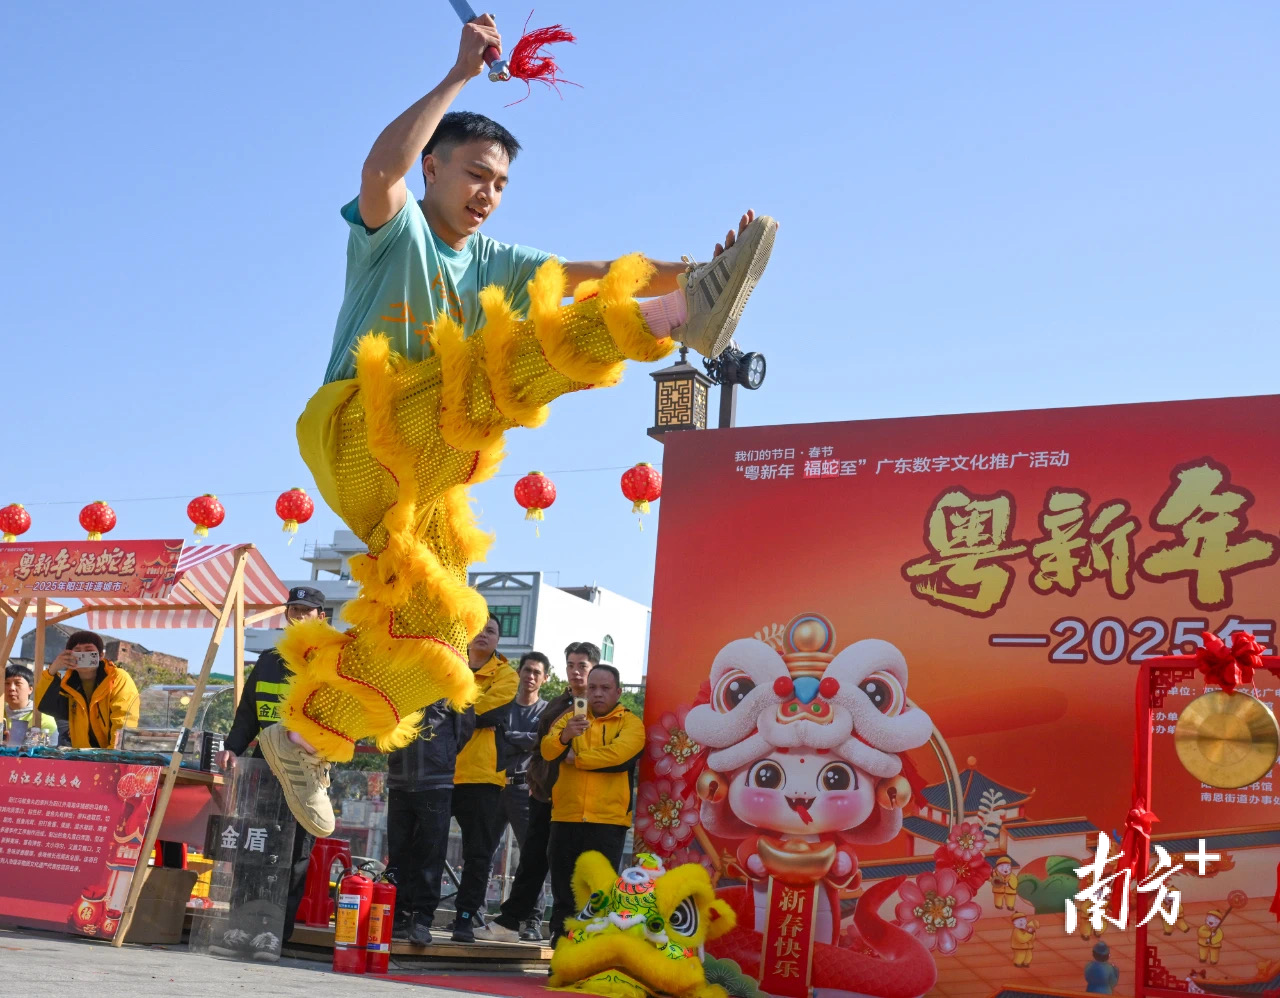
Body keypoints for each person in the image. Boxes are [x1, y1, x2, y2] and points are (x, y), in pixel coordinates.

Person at [255, 14, 777, 839]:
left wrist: (702, 269)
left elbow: (594, 275)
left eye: (500, 183)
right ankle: (680, 317)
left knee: (450, 624)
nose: (487, 194)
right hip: (362, 428)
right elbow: (380, 167)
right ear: (435, 167)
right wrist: (458, 73)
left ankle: (307, 737)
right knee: (495, 374)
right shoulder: (397, 229)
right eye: (475, 174)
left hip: (421, 480)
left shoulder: (497, 259)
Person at [211, 586, 328, 961]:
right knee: (253, 847)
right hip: (262, 767)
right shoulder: (268, 659)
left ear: (321, 617)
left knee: (293, 854)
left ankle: (274, 934)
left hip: (306, 769)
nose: (298, 616)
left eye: (306, 611)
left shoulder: (333, 662)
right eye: (293, 610)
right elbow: (247, 712)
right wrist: (232, 747)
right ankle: (240, 927)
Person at [540, 662, 643, 944]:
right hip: (566, 815)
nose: (597, 694)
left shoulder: (631, 723)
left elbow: (619, 757)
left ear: (618, 692)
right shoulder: (571, 718)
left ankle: (589, 951)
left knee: (598, 892)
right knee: (563, 890)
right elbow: (547, 750)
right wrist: (564, 736)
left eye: (605, 688)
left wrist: (576, 758)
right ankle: (561, 947)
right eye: (592, 688)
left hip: (607, 821)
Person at [471, 650, 550, 942]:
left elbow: (539, 742)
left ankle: (532, 919)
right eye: (526, 670)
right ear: (519, 672)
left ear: (545, 678)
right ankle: (475, 913)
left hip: (524, 788)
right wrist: (523, 739)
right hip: (493, 785)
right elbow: (503, 739)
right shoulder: (504, 704)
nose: (530, 676)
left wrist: (510, 736)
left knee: (531, 857)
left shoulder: (545, 711)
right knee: (482, 852)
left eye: (536, 672)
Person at [449, 613, 518, 942]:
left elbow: (492, 712)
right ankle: (414, 914)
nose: (483, 634)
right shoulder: (447, 664)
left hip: (483, 776)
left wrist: (452, 711)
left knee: (477, 854)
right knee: (427, 848)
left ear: (497, 640)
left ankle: (464, 918)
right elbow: (473, 713)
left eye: (490, 630)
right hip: (440, 770)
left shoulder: (507, 675)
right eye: (477, 629)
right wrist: (471, 711)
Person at [386, 695, 475, 946]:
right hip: (399, 779)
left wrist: (442, 755)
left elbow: (464, 729)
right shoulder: (400, 680)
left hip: (436, 781)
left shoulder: (453, 682)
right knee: (398, 851)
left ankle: (423, 918)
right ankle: (399, 915)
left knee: (431, 852)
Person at [34, 630, 139, 749]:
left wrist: (113, 755)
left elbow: (124, 721)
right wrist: (53, 669)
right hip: (84, 757)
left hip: (113, 756)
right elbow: (44, 704)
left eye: (89, 651)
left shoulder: (117, 677)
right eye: (77, 651)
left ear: (101, 656)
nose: (83, 655)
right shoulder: (67, 685)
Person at [3, 664, 57, 742]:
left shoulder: (43, 718)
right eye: (7, 683)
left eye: (18, 683)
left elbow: (51, 751)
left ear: (30, 689)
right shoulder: (1, 711)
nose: (11, 688)